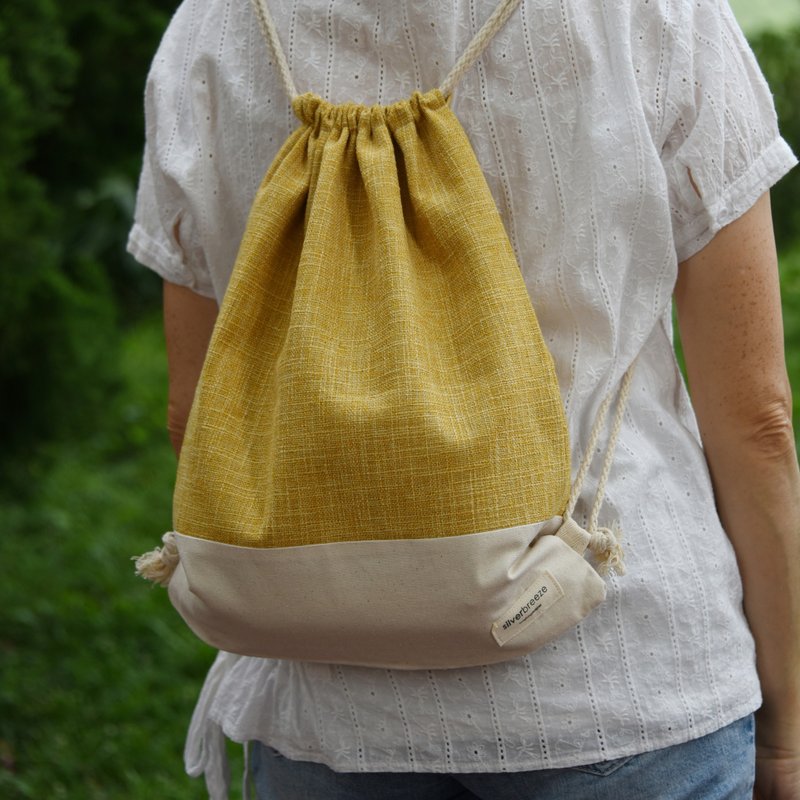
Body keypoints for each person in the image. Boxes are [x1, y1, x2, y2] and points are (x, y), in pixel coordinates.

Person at [128, 0, 800, 797]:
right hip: (630, 683)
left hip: (326, 710)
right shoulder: (650, 13)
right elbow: (755, 422)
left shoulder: (211, 27)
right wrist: (786, 739)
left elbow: (195, 414)